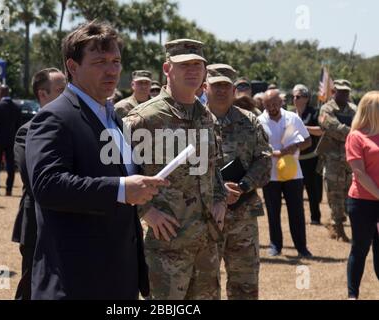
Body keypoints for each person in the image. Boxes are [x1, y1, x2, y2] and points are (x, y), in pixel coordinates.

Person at [25, 20, 168, 300]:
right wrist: (120, 189)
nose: (112, 70)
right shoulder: (54, 117)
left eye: (116, 61)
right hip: (76, 279)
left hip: (117, 276)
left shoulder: (112, 117)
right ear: (73, 67)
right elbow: (47, 185)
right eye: (100, 61)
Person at [124, 39, 227, 300]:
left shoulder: (206, 116)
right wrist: (146, 211)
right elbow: (114, 173)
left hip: (206, 243)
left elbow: (212, 167)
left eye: (197, 65)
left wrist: (220, 199)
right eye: (184, 65)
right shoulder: (143, 119)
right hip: (166, 245)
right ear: (167, 69)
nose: (192, 71)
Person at [205, 63, 272, 300]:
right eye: (216, 85)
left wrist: (243, 186)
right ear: (205, 87)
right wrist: (217, 189)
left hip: (243, 215)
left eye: (226, 85)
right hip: (205, 216)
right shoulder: (192, 121)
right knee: (204, 286)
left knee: (245, 284)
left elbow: (264, 160)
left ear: (234, 90)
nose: (221, 90)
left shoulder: (250, 121)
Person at [12, 67, 66, 300]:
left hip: (69, 224)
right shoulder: (28, 131)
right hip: (37, 223)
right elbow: (35, 180)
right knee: (31, 286)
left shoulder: (71, 127)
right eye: (60, 90)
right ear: (42, 95)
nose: (67, 95)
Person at [259, 89, 313, 257]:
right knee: (273, 211)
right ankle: (275, 245)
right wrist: (271, 153)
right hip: (271, 173)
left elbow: (308, 141)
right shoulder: (259, 121)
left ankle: (301, 247)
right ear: (263, 105)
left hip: (293, 173)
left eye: (275, 103)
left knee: (296, 211)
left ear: (281, 102)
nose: (272, 107)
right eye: (268, 105)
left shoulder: (292, 118)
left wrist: (295, 147)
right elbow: (256, 147)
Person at [345, 91, 379, 300]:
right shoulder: (356, 136)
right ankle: (353, 295)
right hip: (362, 202)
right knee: (360, 249)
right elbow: (359, 172)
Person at [318, 79, 357, 242]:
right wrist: (354, 133)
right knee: (334, 194)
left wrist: (353, 132)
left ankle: (347, 225)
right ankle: (338, 227)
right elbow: (332, 127)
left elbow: (361, 124)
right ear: (334, 92)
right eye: (340, 91)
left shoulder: (354, 109)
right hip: (332, 159)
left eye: (346, 91)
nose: (344, 94)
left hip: (351, 159)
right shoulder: (326, 108)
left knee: (349, 194)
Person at [293, 84, 323, 225]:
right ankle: (298, 218)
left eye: (298, 96)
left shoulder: (314, 112)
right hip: (294, 158)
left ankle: (315, 217)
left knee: (312, 190)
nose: (294, 99)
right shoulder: (290, 114)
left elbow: (321, 130)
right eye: (293, 96)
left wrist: (303, 128)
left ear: (305, 98)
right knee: (296, 191)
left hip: (310, 158)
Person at [0, 85, 21, 196]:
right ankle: (9, 190)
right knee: (10, 164)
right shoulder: (17, 107)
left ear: (0, 93)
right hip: (12, 139)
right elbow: (19, 125)